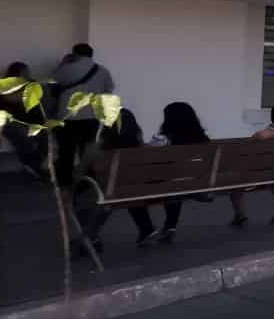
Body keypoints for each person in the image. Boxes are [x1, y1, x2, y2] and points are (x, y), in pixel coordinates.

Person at [75, 109, 159, 251]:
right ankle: (146, 229)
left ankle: (91, 236)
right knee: (129, 189)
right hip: (132, 193)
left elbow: (78, 176)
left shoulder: (95, 150)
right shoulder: (143, 150)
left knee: (80, 194)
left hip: (105, 196)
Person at [49, 43, 115, 186]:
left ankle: (64, 181)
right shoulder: (102, 70)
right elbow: (109, 89)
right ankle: (86, 181)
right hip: (92, 116)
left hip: (68, 117)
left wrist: (63, 63)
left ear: (75, 54)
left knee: (66, 151)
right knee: (86, 150)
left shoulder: (67, 68)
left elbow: (52, 81)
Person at [147, 102, 208, 242]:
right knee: (176, 182)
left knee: (170, 181)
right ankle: (170, 225)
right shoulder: (203, 139)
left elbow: (148, 160)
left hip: (170, 184)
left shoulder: (162, 139)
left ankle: (165, 226)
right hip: (196, 182)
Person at [229, 104, 274, 227]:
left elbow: (244, 151)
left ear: (272, 117)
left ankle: (240, 214)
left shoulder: (262, 135)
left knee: (235, 184)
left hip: (260, 178)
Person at [0, 60, 48, 182]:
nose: (27, 74)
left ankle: (41, 167)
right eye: (24, 72)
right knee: (22, 135)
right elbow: (10, 100)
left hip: (33, 121)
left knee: (45, 135)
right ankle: (35, 166)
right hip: (12, 121)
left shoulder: (33, 84)